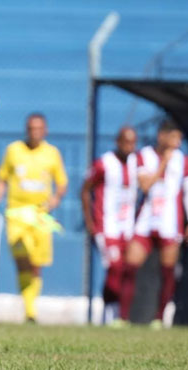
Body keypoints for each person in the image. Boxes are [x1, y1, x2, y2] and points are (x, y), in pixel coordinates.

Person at [0, 113, 68, 323]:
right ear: (26, 129)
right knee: (22, 258)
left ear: (45, 130)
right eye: (31, 128)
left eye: (39, 128)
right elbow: (1, 180)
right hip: (17, 213)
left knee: (36, 264)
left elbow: (62, 183)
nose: (35, 132)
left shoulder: (52, 153)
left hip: (40, 215)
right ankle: (30, 311)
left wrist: (55, 200)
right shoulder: (14, 150)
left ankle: (31, 306)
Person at [118, 119, 186, 329]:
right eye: (174, 138)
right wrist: (163, 163)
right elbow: (145, 185)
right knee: (130, 266)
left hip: (170, 222)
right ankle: (122, 317)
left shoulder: (182, 161)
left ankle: (158, 317)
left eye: (180, 139)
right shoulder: (143, 156)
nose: (177, 143)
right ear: (162, 136)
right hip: (146, 221)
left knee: (167, 271)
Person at [81, 127, 138, 324]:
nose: (130, 147)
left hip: (128, 228)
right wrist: (89, 221)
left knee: (127, 269)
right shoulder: (104, 163)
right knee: (114, 268)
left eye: (133, 143)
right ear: (118, 142)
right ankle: (109, 313)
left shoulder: (136, 163)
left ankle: (121, 315)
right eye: (127, 142)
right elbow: (85, 189)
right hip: (107, 227)